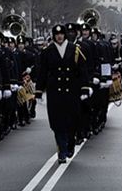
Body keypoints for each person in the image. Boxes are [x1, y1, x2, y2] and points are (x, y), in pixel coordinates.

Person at [35, 24, 88, 164]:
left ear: (65, 35)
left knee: (72, 121)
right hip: (55, 92)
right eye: (56, 34)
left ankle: (70, 144)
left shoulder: (75, 50)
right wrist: (39, 91)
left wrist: (84, 88)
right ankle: (62, 150)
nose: (59, 36)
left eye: (61, 34)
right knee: (57, 122)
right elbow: (42, 72)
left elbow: (82, 70)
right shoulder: (47, 51)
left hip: (71, 90)